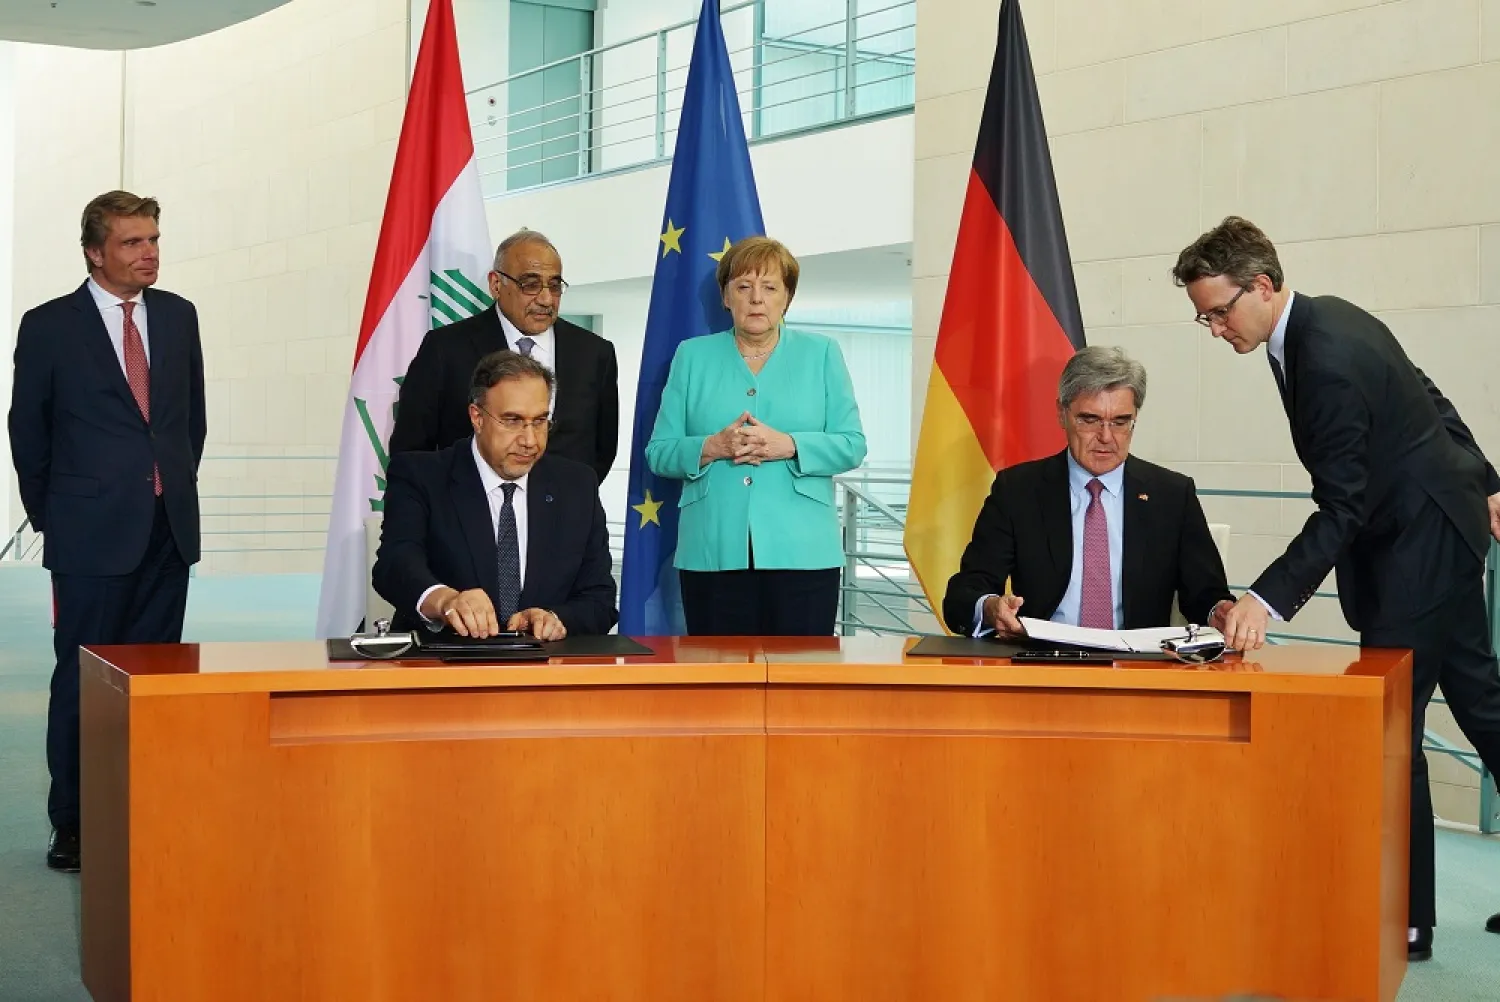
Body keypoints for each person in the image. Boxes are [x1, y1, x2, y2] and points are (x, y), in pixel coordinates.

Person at [1173, 215, 1500, 961]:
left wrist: (1266, 596)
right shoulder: (1325, 318)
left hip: (1417, 546)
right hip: (1439, 526)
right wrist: (1485, 483)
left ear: (1261, 285)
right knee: (1482, 703)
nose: (1216, 329)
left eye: (1219, 311)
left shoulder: (1324, 352)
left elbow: (1342, 504)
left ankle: (1405, 922)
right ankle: (1407, 914)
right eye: (1204, 317)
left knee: (1394, 733)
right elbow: (1425, 393)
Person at [8, 190, 205, 872]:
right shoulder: (49, 326)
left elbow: (188, 422)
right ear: (95, 252)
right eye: (131, 242)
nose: (148, 251)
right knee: (84, 679)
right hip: (89, 536)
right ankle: (75, 822)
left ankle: (143, 805)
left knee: (155, 679)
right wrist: (54, 515)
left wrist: (169, 487)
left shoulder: (179, 317)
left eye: (153, 238)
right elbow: (27, 433)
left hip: (167, 529)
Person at [645, 236, 866, 636]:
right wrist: (712, 447)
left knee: (797, 684)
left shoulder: (822, 354)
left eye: (770, 288)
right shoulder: (691, 356)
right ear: (725, 297)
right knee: (719, 682)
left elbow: (852, 444)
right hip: (711, 552)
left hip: (803, 553)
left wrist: (791, 445)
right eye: (743, 287)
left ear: (787, 298)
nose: (756, 300)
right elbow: (659, 452)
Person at [943, 346, 1233, 638]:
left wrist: (1218, 611)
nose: (1106, 437)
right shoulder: (1018, 491)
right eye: (1090, 420)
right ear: (1062, 413)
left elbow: (1205, 596)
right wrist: (991, 607)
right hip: (1043, 661)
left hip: (1138, 668)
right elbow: (965, 593)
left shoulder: (1172, 495)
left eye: (1120, 422)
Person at [374, 350, 616, 639]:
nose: (529, 440)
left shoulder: (577, 485)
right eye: (513, 420)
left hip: (545, 672)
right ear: (477, 417)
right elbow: (395, 564)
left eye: (539, 421)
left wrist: (557, 619)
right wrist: (445, 601)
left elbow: (599, 598)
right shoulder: (422, 476)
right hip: (444, 668)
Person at [388, 229, 618, 483]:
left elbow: (602, 450)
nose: (545, 299)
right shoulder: (445, 349)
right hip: (467, 514)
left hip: (565, 517)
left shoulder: (595, 353)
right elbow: (411, 452)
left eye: (554, 286)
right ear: (496, 285)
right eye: (530, 285)